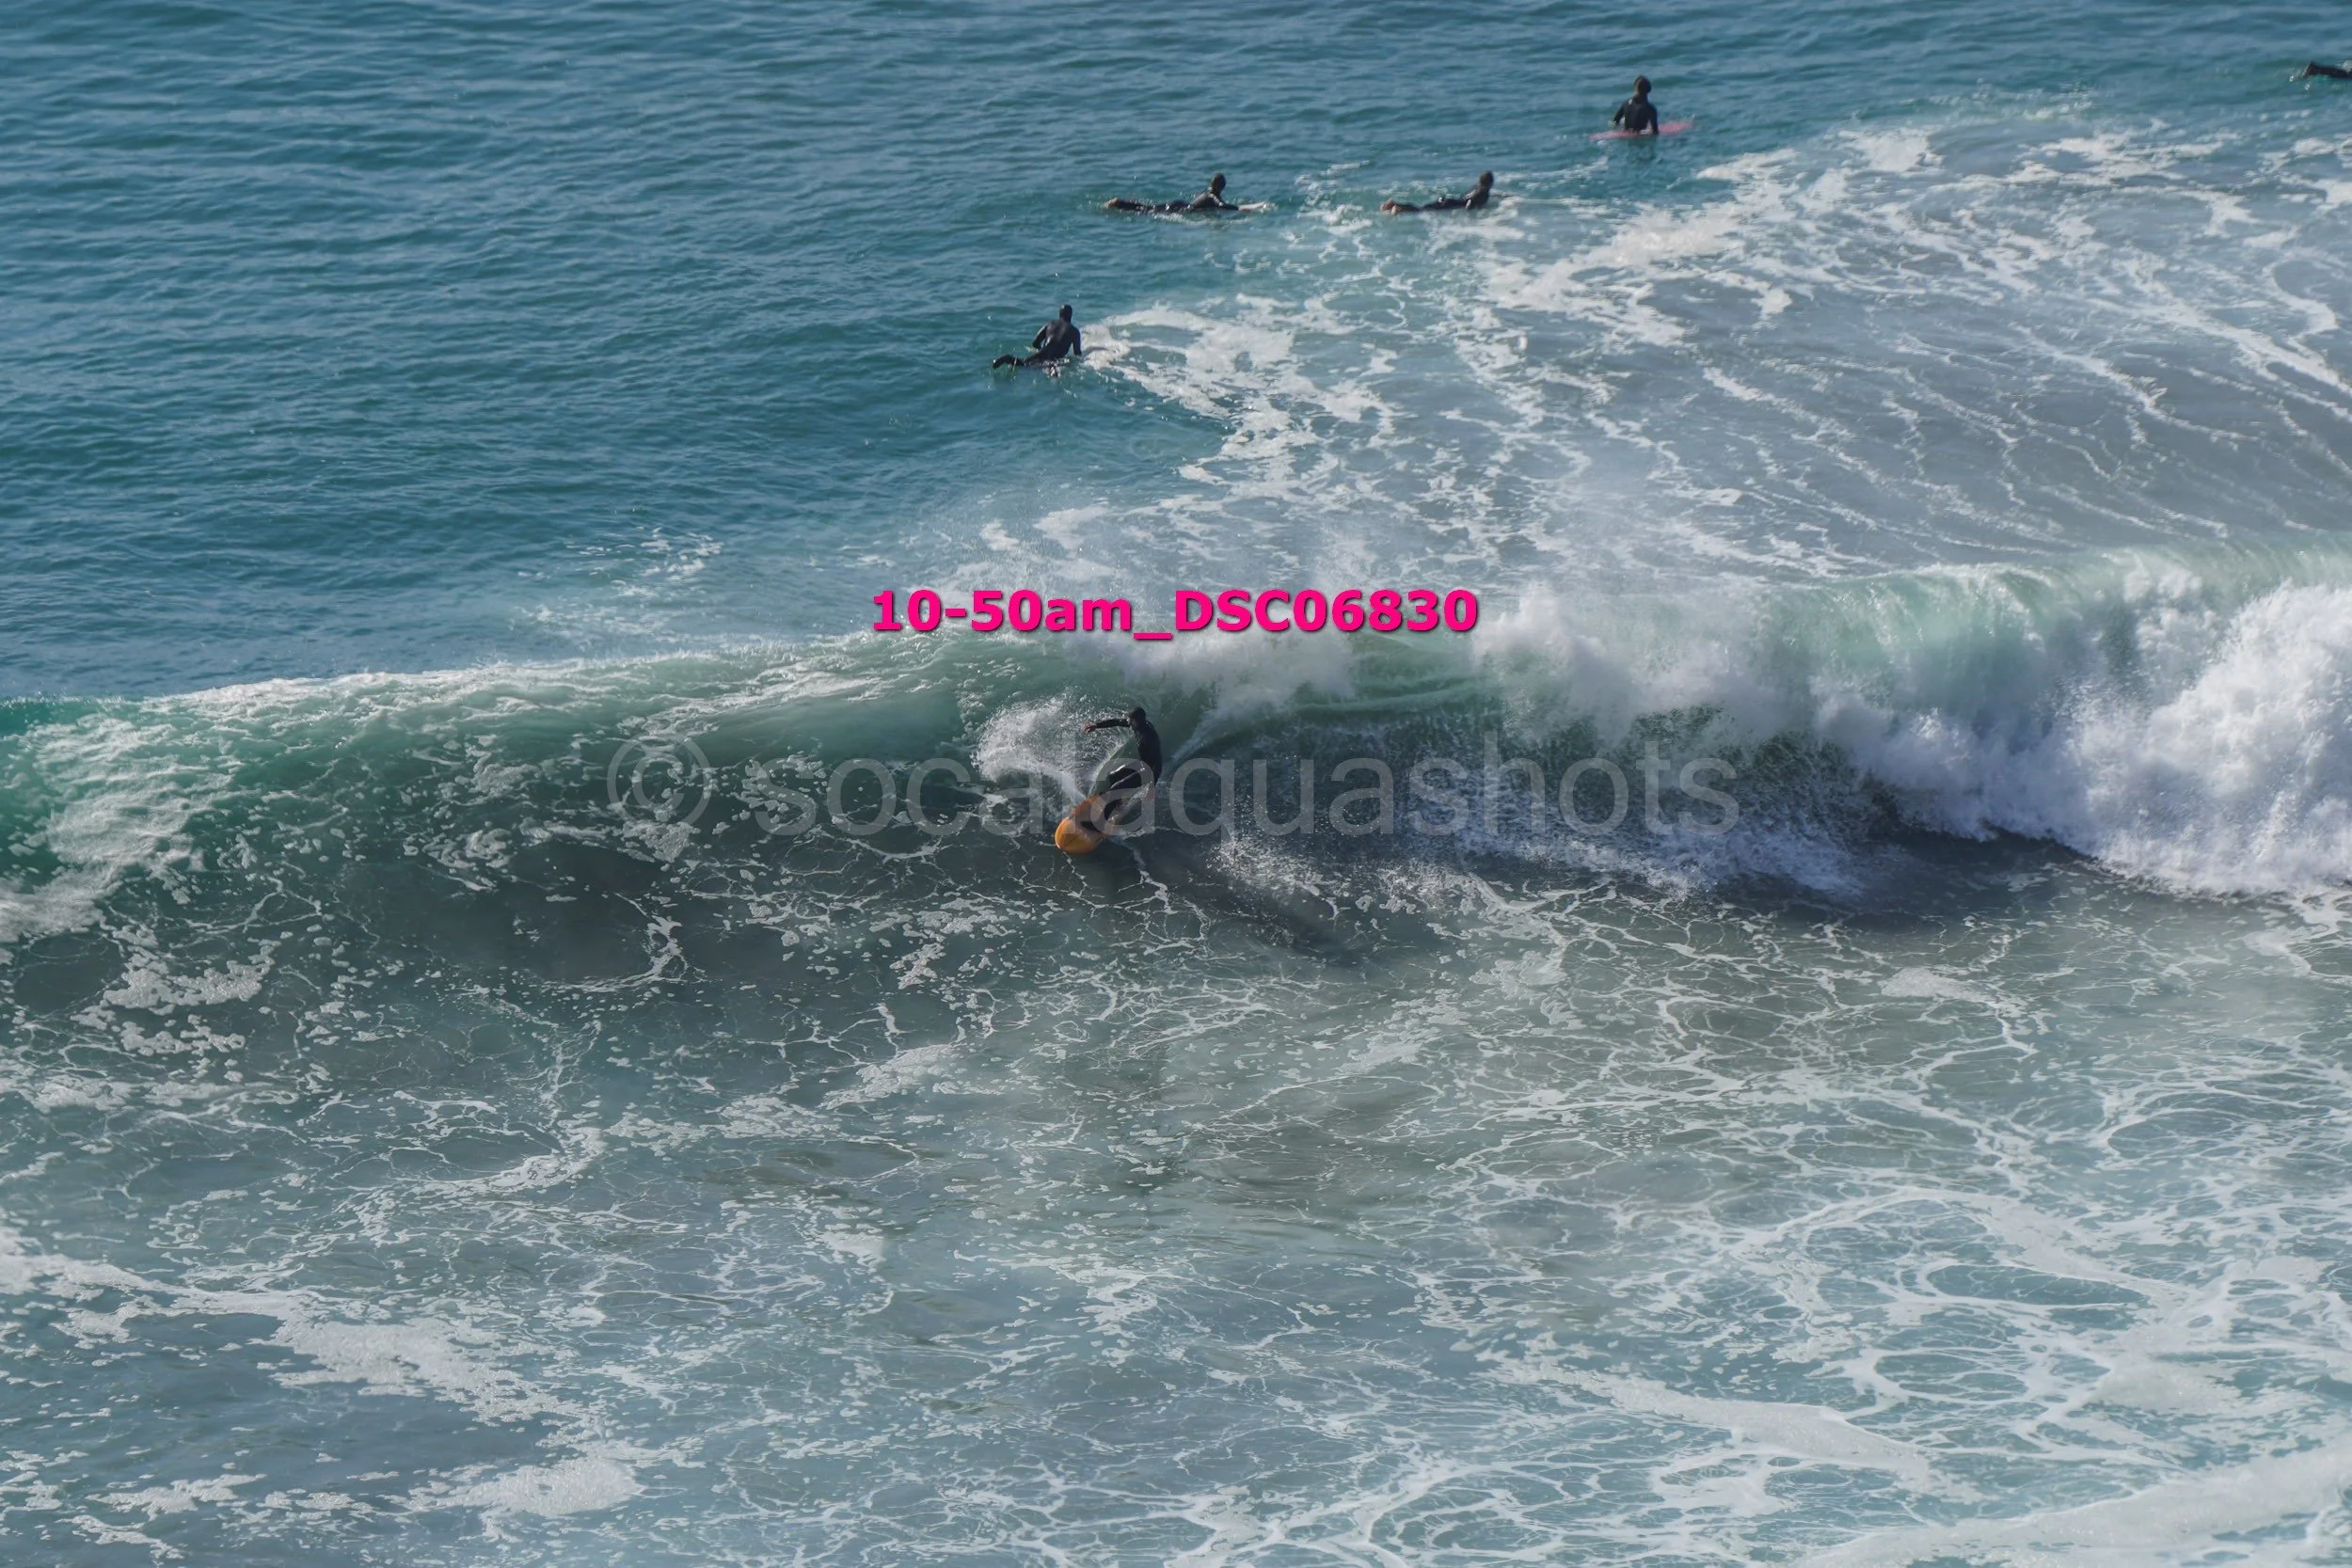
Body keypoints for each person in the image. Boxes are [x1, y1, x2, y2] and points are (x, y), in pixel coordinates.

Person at [1079, 706, 1162, 825]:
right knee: (1113, 776)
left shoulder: (1150, 737)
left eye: (1130, 720)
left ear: (1136, 721)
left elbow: (1158, 764)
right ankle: (1116, 803)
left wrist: (1152, 788)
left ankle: (1099, 823)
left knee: (1115, 789)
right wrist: (1096, 726)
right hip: (1142, 764)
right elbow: (1117, 721)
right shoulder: (1139, 725)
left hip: (1148, 771)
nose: (1127, 722)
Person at [993, 305, 1082, 369]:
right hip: (1056, 358)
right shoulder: (1074, 331)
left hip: (1042, 352)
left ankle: (1008, 358)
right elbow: (1077, 354)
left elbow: (1035, 343)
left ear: (1060, 315)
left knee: (1024, 364)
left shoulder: (1049, 324)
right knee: (1052, 370)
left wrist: (1041, 350)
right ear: (1071, 316)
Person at [1106, 172, 1240, 214]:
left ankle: (1120, 203)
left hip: (1180, 204)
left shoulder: (1208, 191)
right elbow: (1221, 206)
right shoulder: (1212, 196)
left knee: (1149, 208)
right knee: (1147, 211)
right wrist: (1239, 208)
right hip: (1182, 209)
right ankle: (1119, 203)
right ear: (1221, 187)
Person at [1381, 171, 1495, 215]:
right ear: (1491, 183)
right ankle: (1398, 207)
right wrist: (1468, 213)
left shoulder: (1477, 187)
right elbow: (1470, 201)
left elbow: (1470, 197)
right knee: (1421, 210)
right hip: (1451, 204)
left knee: (1422, 208)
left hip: (1449, 199)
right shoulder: (1484, 192)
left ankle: (1394, 204)